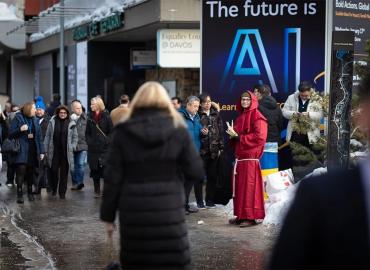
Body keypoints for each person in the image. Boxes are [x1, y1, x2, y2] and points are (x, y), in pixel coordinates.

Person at [268, 66, 370, 269]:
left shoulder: (315, 100)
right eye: (302, 93)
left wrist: (306, 116)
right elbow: (285, 112)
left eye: (307, 93)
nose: (304, 95)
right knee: (293, 163)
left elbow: (318, 115)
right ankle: (293, 185)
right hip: (294, 135)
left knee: (309, 162)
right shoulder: (320, 195)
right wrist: (296, 113)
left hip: (310, 136)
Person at [100, 81, 204, 269]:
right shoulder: (178, 130)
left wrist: (108, 216)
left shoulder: (123, 132)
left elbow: (112, 178)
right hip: (169, 208)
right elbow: (196, 171)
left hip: (134, 211)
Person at [227, 91, 267, 227]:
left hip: (250, 159)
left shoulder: (258, 117)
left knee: (249, 188)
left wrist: (240, 138)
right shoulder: (240, 117)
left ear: (252, 101)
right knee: (240, 188)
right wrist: (233, 136)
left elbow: (260, 137)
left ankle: (250, 217)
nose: (244, 101)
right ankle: (241, 215)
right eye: (242, 99)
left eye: (247, 99)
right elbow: (238, 136)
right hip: (241, 158)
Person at [9, 102, 45, 204]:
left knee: (30, 173)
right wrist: (20, 129)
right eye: (34, 108)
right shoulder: (18, 118)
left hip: (32, 150)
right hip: (21, 149)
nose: (36, 110)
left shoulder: (35, 120)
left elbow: (39, 137)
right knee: (20, 172)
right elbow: (10, 134)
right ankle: (20, 194)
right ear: (28, 109)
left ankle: (30, 193)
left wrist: (41, 151)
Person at [44, 105, 78, 199]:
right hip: (54, 150)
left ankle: (62, 193)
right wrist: (45, 149)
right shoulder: (53, 121)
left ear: (67, 114)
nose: (62, 114)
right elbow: (47, 136)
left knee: (64, 173)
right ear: (58, 113)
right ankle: (54, 188)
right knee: (53, 170)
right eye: (61, 113)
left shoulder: (71, 123)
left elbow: (75, 137)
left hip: (66, 152)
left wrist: (73, 146)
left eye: (64, 113)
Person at [198, 93, 224, 208]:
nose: (207, 104)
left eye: (209, 101)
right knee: (199, 177)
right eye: (205, 102)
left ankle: (209, 200)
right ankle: (199, 202)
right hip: (201, 151)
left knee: (212, 176)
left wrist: (221, 147)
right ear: (200, 104)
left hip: (214, 150)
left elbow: (221, 131)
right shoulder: (197, 115)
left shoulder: (215, 114)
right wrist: (201, 132)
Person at [179, 96, 205, 212]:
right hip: (183, 155)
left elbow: (198, 133)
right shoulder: (180, 117)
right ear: (188, 105)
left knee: (189, 181)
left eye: (197, 106)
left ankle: (184, 205)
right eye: (194, 106)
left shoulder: (197, 117)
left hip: (194, 154)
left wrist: (204, 132)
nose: (196, 108)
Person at [86, 97, 113, 198]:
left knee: (105, 172)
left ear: (98, 105)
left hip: (104, 149)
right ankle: (97, 191)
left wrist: (107, 141)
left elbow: (111, 131)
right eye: (91, 104)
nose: (91, 106)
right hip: (93, 149)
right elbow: (87, 133)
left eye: (92, 104)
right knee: (95, 171)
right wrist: (90, 142)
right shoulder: (90, 117)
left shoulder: (106, 116)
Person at [282, 81, 323, 148]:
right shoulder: (291, 98)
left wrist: (309, 114)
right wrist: (294, 114)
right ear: (299, 91)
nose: (304, 97)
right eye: (302, 95)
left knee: (311, 156)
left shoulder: (317, 99)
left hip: (311, 133)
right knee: (295, 155)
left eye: (306, 95)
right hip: (295, 133)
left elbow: (321, 114)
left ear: (310, 91)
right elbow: (284, 112)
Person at [70, 100, 88, 191]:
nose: (79, 110)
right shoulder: (69, 119)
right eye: (77, 108)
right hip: (71, 146)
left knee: (80, 164)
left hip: (83, 145)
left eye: (80, 108)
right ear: (72, 109)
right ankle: (75, 183)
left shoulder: (86, 118)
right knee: (73, 166)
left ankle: (80, 182)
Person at [34, 96, 50, 194]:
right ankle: (38, 187)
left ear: (44, 110)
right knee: (37, 168)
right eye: (37, 109)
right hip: (35, 148)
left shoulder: (48, 121)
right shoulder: (33, 120)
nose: (39, 111)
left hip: (45, 148)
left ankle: (45, 185)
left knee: (44, 168)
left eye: (41, 109)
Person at [3, 104, 20, 187]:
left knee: (17, 163)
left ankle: (15, 180)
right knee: (10, 164)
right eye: (14, 110)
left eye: (17, 110)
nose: (16, 112)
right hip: (11, 143)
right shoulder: (9, 119)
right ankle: (10, 180)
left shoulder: (20, 118)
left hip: (18, 143)